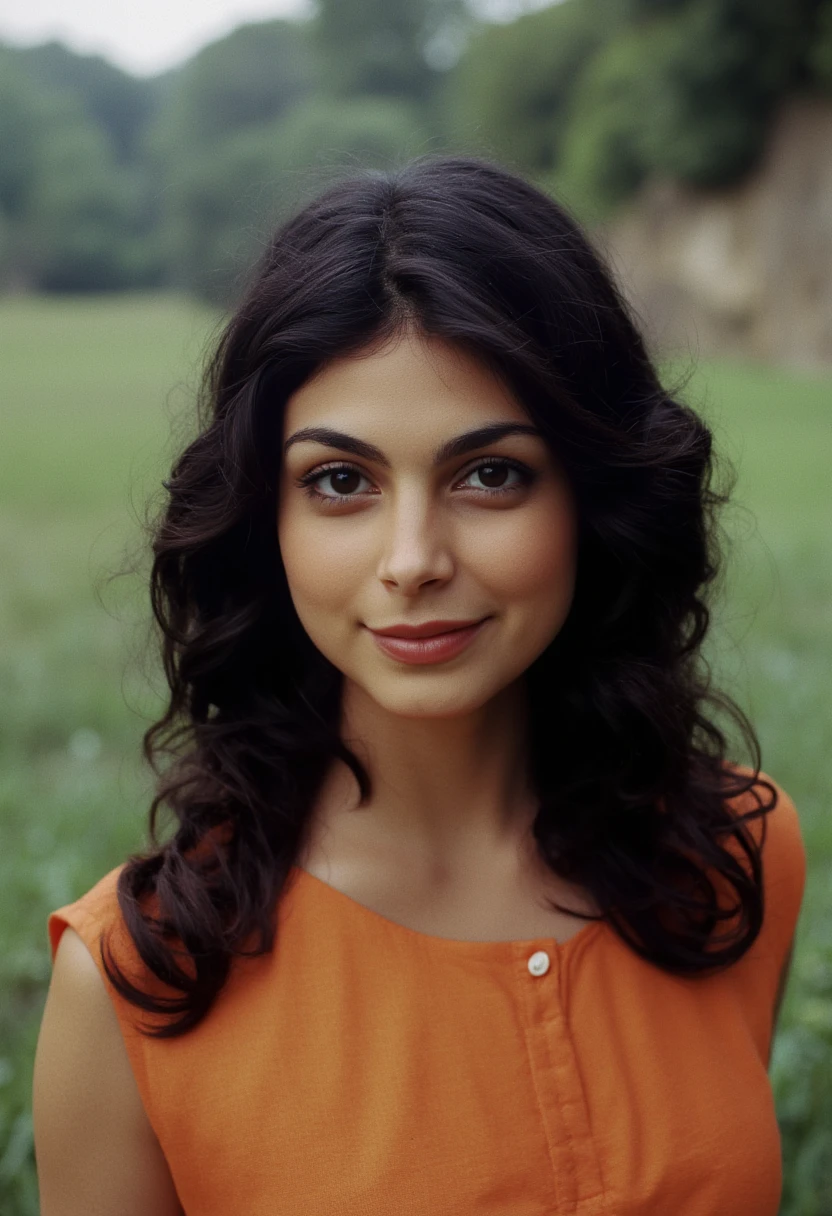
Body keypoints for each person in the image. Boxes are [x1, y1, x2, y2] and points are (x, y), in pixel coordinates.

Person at [33, 156, 805, 1216]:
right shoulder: (140, 978)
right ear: (270, 520)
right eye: (340, 481)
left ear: (593, 494)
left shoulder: (733, 856)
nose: (411, 559)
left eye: (489, 473)